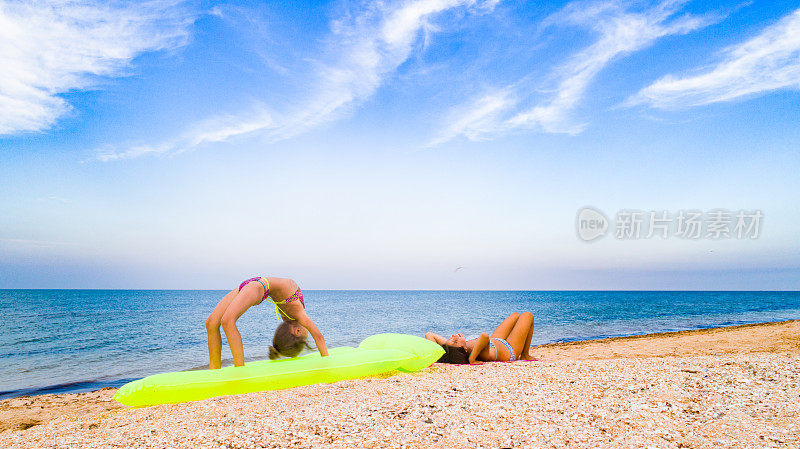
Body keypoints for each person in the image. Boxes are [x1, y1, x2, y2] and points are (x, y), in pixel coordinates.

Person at [205, 276, 328, 369]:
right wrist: (326, 361)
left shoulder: (291, 319)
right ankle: (215, 370)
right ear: (297, 331)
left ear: (297, 331)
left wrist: (286, 349)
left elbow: (316, 337)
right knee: (211, 323)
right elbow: (319, 337)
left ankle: (239, 369)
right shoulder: (299, 315)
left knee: (227, 321)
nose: (308, 331)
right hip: (255, 284)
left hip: (257, 287)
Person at [425, 312, 535, 364]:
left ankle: (525, 353)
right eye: (455, 341)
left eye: (450, 339)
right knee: (527, 315)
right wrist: (472, 359)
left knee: (515, 315)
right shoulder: (475, 353)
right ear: (465, 349)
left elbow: (429, 335)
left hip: (497, 340)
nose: (454, 336)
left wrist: (436, 354)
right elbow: (484, 336)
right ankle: (525, 354)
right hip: (509, 349)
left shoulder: (453, 349)